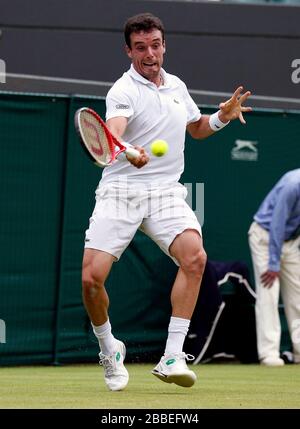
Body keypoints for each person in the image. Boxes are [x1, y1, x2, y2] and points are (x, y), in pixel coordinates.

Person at [82, 12, 252, 391]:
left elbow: (197, 129)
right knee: (92, 279)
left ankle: (172, 356)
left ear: (164, 46)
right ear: (129, 51)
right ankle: (109, 347)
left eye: (155, 45)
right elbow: (114, 132)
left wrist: (222, 117)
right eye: (140, 47)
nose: (149, 53)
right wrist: (126, 152)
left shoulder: (176, 85)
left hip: (165, 192)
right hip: (122, 192)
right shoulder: (122, 91)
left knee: (195, 257)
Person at [248, 169, 300, 366]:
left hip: (291, 241)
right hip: (265, 238)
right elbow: (277, 222)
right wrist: (273, 263)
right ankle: (269, 354)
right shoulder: (293, 185)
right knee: (269, 294)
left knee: (298, 297)